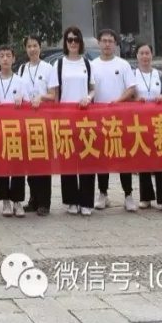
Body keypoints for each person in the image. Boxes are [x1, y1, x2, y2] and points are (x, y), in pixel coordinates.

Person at [90, 29, 138, 211]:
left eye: (110, 41)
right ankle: (103, 194)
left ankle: (128, 195)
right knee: (101, 157)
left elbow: (131, 88)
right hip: (99, 117)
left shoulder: (123, 64)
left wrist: (117, 102)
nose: (107, 44)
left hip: (120, 117)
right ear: (99, 44)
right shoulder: (92, 65)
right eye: (104, 41)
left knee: (123, 157)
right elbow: (90, 88)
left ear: (115, 44)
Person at [57, 26, 96, 216]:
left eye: (76, 40)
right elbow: (55, 93)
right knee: (69, 159)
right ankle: (71, 200)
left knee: (87, 157)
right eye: (69, 40)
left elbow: (93, 88)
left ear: (80, 43)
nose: (72, 43)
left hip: (84, 117)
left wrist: (88, 97)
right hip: (65, 118)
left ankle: (87, 201)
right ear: (65, 43)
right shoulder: (59, 64)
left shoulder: (87, 64)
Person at [132, 42, 162, 213]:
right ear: (137, 56)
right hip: (140, 122)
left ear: (152, 55)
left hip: (159, 121)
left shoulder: (160, 75)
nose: (144, 56)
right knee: (143, 157)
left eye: (147, 53)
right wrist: (136, 101)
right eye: (141, 53)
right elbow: (128, 97)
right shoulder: (132, 75)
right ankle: (146, 197)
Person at [0, 45, 29, 217]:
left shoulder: (20, 81)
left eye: (8, 56)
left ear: (13, 58)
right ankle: (5, 200)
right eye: (2, 56)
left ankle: (17, 201)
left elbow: (27, 103)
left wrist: (22, 99)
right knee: (1, 166)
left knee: (18, 166)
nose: (5, 59)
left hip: (16, 130)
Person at [19, 35, 58, 216]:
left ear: (40, 48)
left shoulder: (48, 68)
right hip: (26, 121)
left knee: (43, 162)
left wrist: (41, 98)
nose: (32, 49)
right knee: (30, 163)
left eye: (35, 46)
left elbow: (53, 95)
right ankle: (33, 199)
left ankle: (44, 203)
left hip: (44, 120)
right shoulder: (21, 69)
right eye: (29, 46)